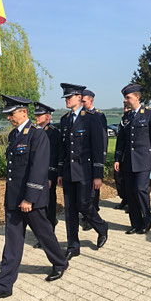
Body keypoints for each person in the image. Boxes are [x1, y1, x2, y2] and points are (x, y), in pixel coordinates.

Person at [0, 96, 68, 301]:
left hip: (30, 200)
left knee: (45, 235)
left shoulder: (37, 136)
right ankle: (3, 286)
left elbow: (38, 169)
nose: (9, 117)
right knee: (12, 243)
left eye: (12, 113)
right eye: (7, 114)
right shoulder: (13, 136)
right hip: (14, 199)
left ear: (24, 112)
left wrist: (29, 198)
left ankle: (60, 262)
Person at [57, 83, 108, 260]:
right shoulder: (65, 120)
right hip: (69, 171)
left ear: (79, 97)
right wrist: (60, 172)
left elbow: (98, 147)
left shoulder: (91, 119)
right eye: (65, 98)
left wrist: (98, 175)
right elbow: (63, 149)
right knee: (70, 210)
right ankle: (73, 245)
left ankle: (102, 227)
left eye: (69, 97)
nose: (67, 100)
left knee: (85, 205)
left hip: (85, 171)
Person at [114, 84, 151, 234]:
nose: (126, 100)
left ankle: (147, 220)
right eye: (125, 98)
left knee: (141, 190)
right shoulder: (126, 117)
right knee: (130, 192)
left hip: (143, 159)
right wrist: (117, 158)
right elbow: (121, 140)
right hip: (128, 161)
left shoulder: (149, 114)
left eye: (128, 97)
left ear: (137, 97)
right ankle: (135, 223)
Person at [33, 102, 61, 249]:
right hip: (37, 174)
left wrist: (50, 176)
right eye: (36, 115)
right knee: (39, 206)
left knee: (48, 205)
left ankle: (48, 237)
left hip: (48, 174)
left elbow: (54, 155)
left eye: (39, 115)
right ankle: (45, 231)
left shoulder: (53, 132)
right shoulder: (35, 131)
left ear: (48, 116)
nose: (36, 117)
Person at [80, 89, 108, 230]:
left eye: (84, 101)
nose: (82, 103)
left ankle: (93, 213)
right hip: (84, 159)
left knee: (93, 190)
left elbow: (102, 138)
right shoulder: (81, 116)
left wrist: (101, 159)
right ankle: (87, 215)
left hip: (95, 157)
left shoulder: (98, 115)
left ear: (91, 101)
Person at [114, 102, 130, 210]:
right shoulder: (122, 121)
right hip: (121, 155)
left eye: (128, 108)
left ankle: (131, 202)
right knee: (119, 179)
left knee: (130, 181)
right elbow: (120, 140)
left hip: (131, 156)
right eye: (125, 108)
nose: (126, 110)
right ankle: (124, 198)